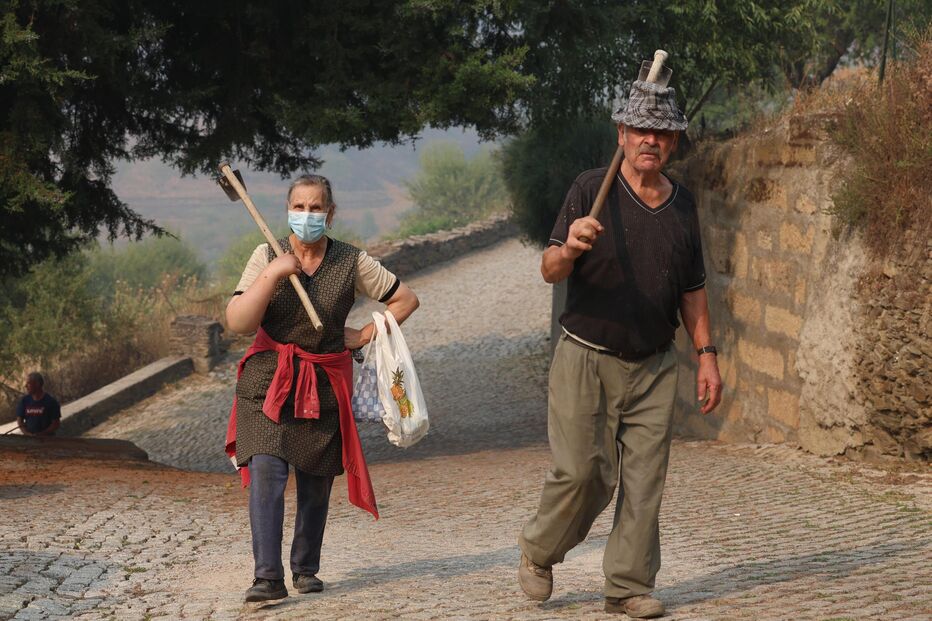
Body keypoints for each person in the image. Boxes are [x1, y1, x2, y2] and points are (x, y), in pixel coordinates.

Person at [517, 72, 722, 618]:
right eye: (640, 130)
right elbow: (548, 268)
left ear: (673, 141)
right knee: (583, 473)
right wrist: (573, 246)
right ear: (621, 135)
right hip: (586, 357)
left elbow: (693, 288)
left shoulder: (682, 205)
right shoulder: (590, 189)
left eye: (660, 133)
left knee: (644, 481)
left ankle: (628, 585)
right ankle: (539, 550)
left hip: (655, 363)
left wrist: (706, 356)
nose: (649, 141)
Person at [224, 174, 419, 603]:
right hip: (267, 382)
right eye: (299, 207)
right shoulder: (265, 254)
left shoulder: (351, 261)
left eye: (316, 208)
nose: (307, 215)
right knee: (266, 470)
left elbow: (405, 299)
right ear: (288, 209)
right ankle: (267, 576)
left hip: (324, 382)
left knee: (315, 479)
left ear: (329, 214)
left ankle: (305, 566)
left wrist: (366, 333)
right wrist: (274, 273)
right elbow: (237, 321)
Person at [16, 372, 61, 437]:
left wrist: (41, 434)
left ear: (37, 384)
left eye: (28, 383)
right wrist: (27, 434)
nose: (25, 386)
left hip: (47, 441)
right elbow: (20, 421)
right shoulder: (24, 401)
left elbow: (56, 424)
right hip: (29, 440)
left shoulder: (51, 402)